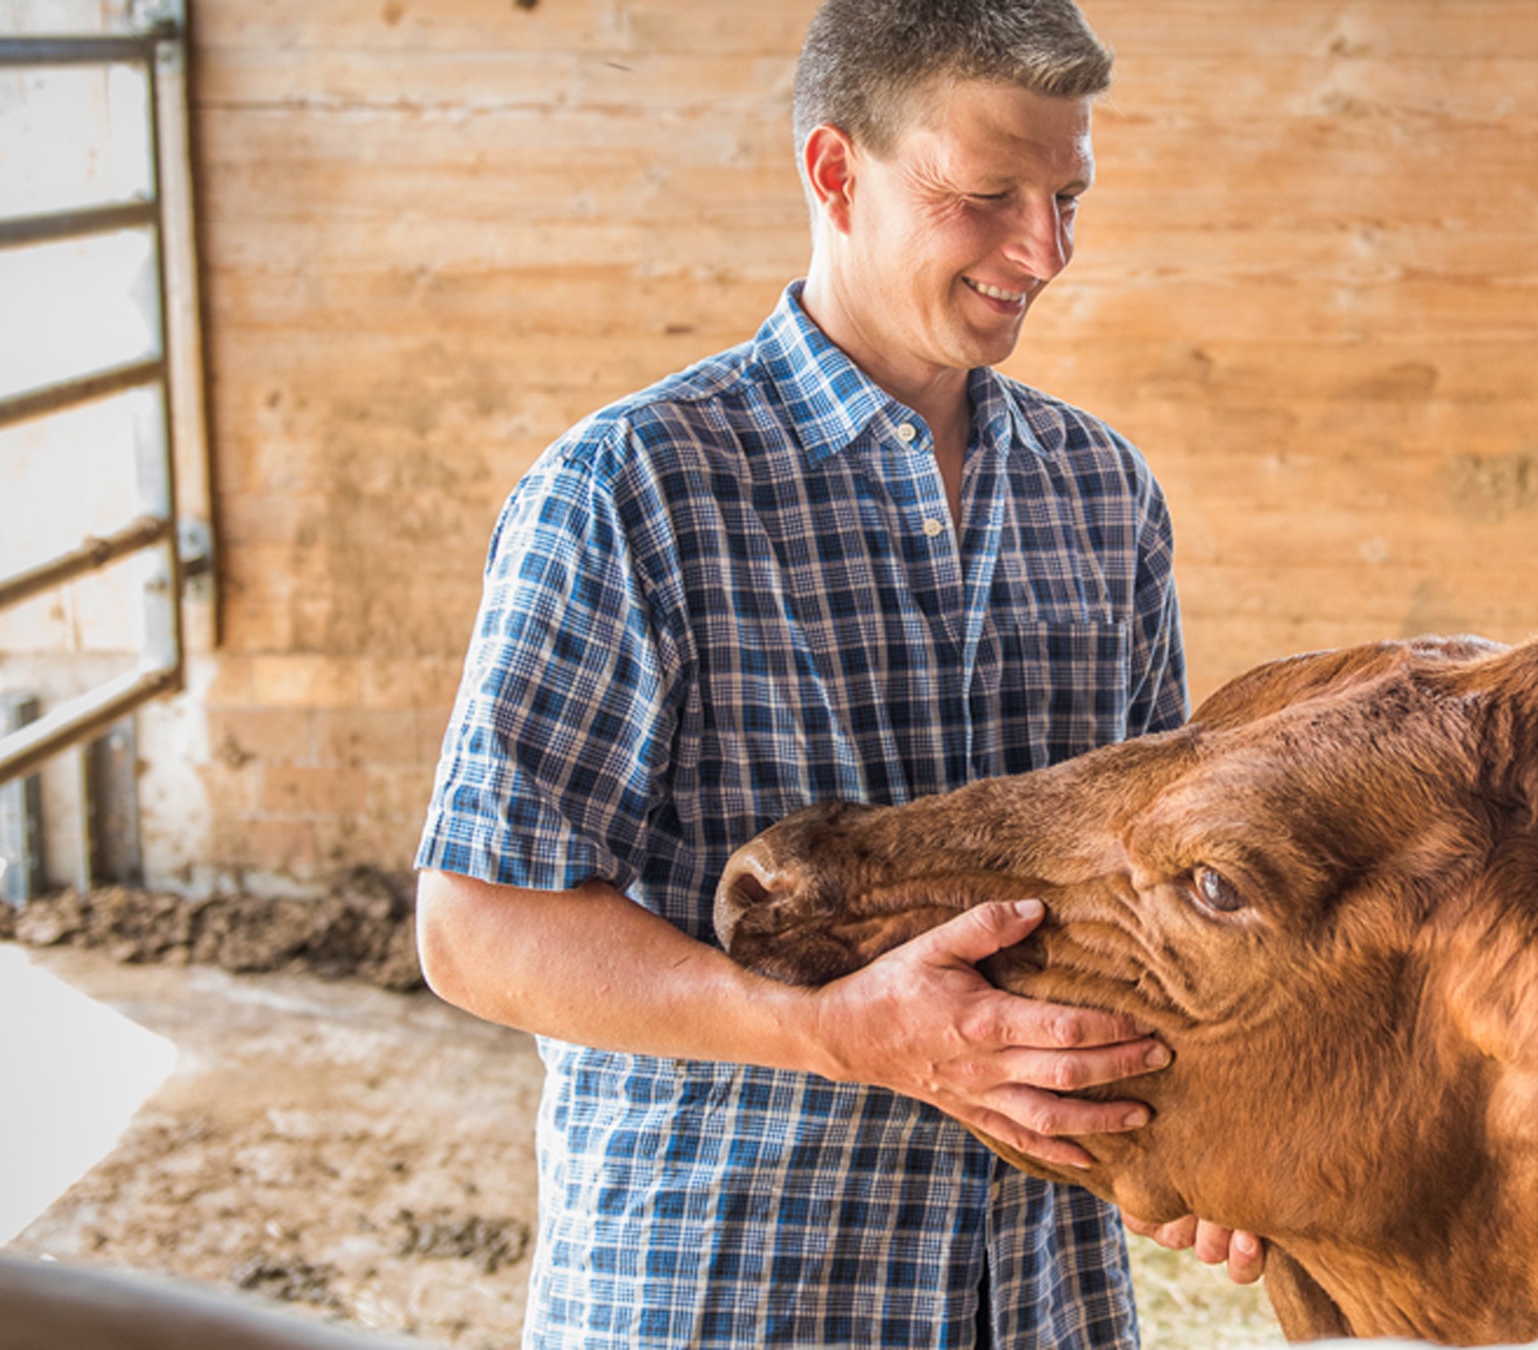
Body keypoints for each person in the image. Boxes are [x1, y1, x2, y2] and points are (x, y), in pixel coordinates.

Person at [413, 1, 1254, 1345]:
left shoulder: (1105, 494)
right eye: (988, 196)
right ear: (834, 171)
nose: (1045, 251)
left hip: (1041, 1296)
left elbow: (1151, 900)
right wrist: (830, 1031)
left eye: (1067, 197)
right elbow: (475, 929)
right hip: (733, 1295)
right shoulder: (632, 490)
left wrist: (1212, 1140)